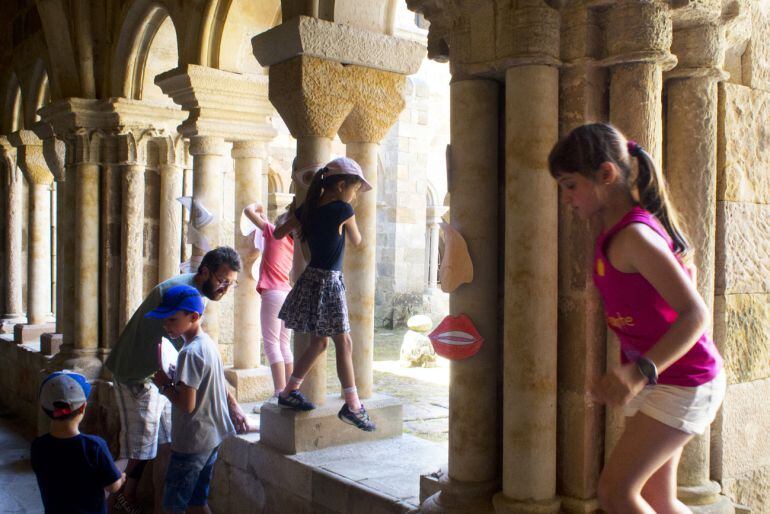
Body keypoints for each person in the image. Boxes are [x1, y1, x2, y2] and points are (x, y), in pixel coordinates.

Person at [548, 123, 725, 514]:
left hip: (684, 380)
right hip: (667, 379)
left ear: (606, 174)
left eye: (570, 184)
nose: (566, 198)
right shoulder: (616, 234)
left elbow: (696, 314)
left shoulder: (634, 237)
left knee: (615, 493)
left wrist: (638, 371)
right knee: (656, 500)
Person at [104, 246, 249, 513]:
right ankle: (103, 498)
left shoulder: (195, 297)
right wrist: (231, 404)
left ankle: (139, 502)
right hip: (137, 376)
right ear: (204, 272)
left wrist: (233, 405)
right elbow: (193, 389)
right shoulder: (186, 299)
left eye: (230, 284)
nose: (225, 289)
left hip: (157, 379)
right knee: (136, 449)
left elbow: (203, 372)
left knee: (164, 445)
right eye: (221, 281)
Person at [273, 156, 376, 432]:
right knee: (344, 344)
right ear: (341, 185)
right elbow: (357, 241)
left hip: (310, 278)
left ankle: (288, 391)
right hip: (329, 282)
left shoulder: (309, 208)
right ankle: (353, 406)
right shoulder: (342, 209)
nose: (355, 196)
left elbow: (278, 233)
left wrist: (299, 220)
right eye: (354, 189)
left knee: (319, 343)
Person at [148, 285, 235, 514]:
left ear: (194, 317)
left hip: (191, 442)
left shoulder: (189, 353)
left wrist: (164, 385)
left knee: (173, 506)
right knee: (197, 502)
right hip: (211, 437)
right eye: (164, 320)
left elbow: (187, 405)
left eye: (173, 320)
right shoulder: (206, 344)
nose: (167, 326)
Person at [31, 371, 125, 514]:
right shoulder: (94, 446)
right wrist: (121, 477)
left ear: (45, 409)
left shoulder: (38, 446)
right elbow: (112, 487)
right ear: (83, 407)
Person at [243, 202, 295, 397]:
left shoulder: (273, 232)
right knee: (284, 344)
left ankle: (279, 392)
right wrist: (264, 217)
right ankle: (291, 390)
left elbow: (248, 212)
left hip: (272, 293)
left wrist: (257, 206)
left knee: (271, 344)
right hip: (287, 293)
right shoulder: (291, 243)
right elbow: (265, 223)